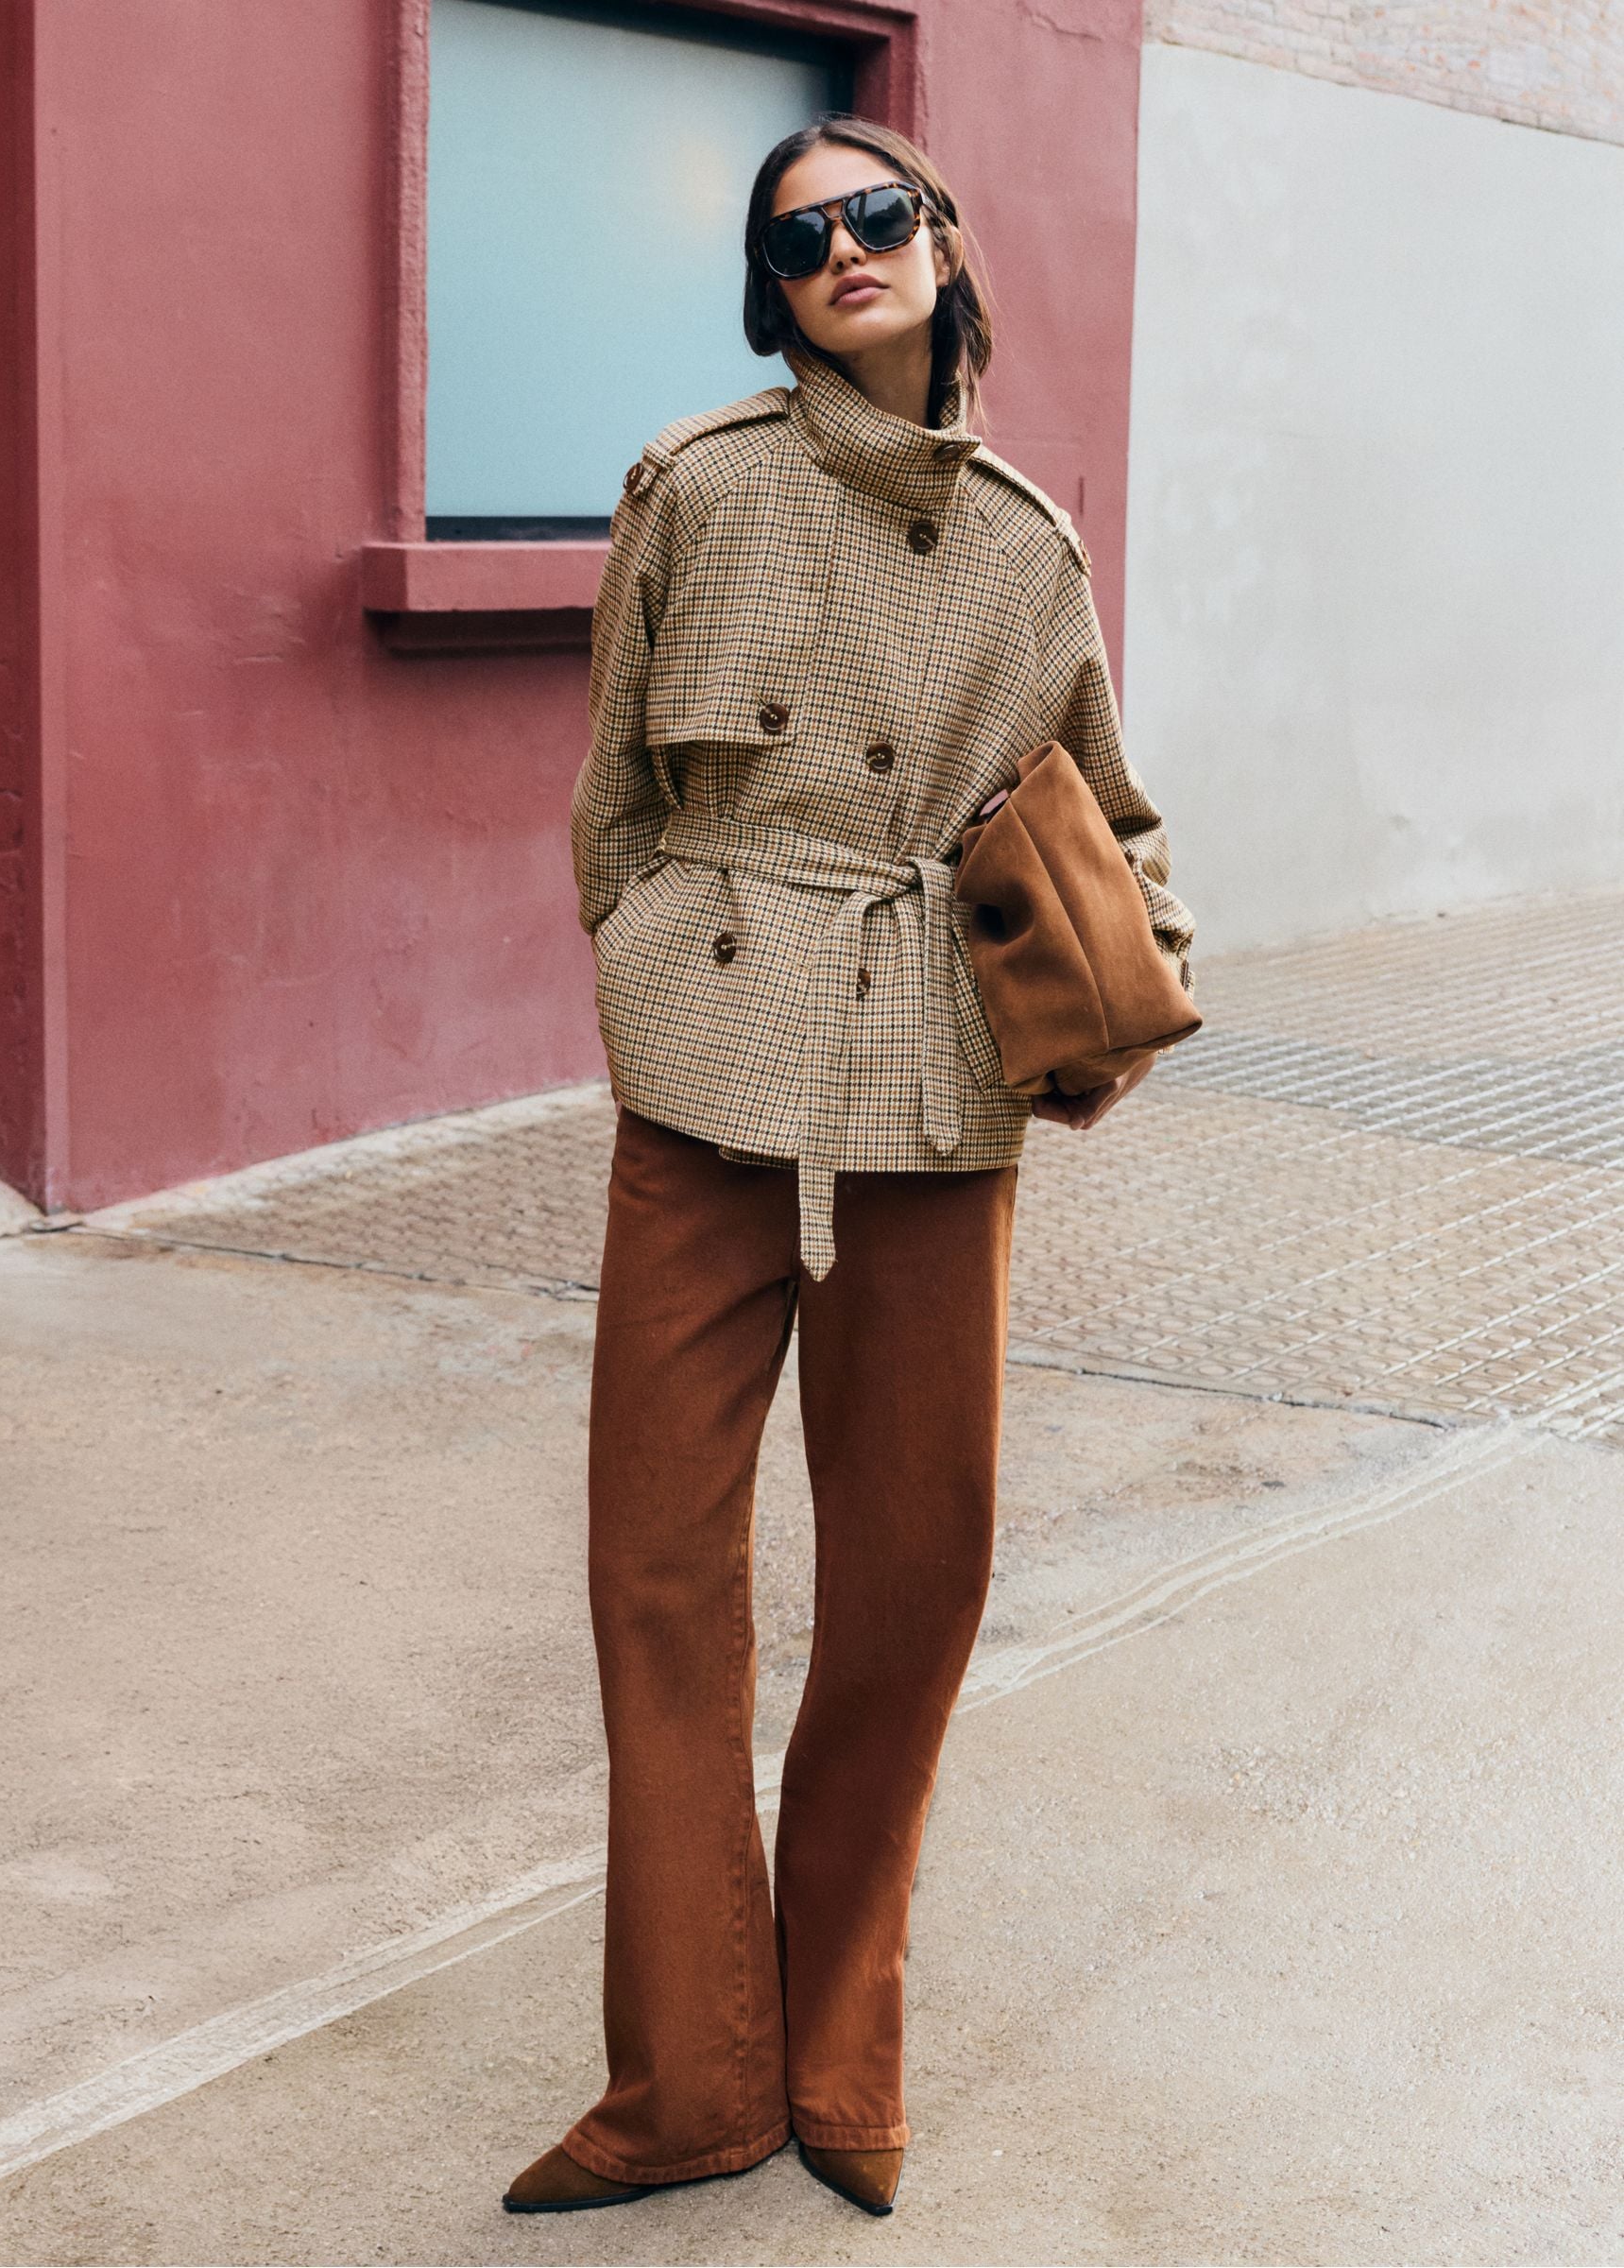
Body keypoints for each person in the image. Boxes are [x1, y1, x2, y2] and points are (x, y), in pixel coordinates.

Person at [504, 114, 1193, 2221]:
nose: (844, 254)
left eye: (877, 216)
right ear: (773, 292)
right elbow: (613, 795)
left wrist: (1127, 970)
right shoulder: (696, 487)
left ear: (943, 244)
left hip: (930, 1088)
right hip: (708, 1077)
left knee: (913, 1578)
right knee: (655, 1574)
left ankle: (838, 2054)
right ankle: (683, 2083)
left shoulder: (1028, 546)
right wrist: (649, 960)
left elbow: (1112, 808)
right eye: (800, 240)